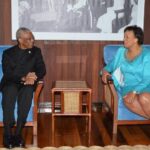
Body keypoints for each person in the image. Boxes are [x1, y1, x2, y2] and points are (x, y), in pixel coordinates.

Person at [0, 27, 46, 148]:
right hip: (12, 81)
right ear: (20, 40)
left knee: (27, 92)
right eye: (29, 39)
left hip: (28, 83)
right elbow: (8, 73)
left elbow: (42, 69)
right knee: (9, 93)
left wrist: (33, 77)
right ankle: (7, 133)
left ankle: (18, 133)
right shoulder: (8, 53)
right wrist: (24, 78)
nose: (32, 41)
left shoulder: (36, 51)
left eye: (33, 38)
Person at [102, 25, 150, 119]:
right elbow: (109, 67)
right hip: (128, 87)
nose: (124, 39)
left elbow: (147, 78)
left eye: (127, 37)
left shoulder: (147, 55)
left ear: (136, 39)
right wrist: (104, 72)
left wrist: (135, 91)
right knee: (127, 100)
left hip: (145, 85)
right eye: (124, 37)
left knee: (143, 98)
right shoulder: (121, 52)